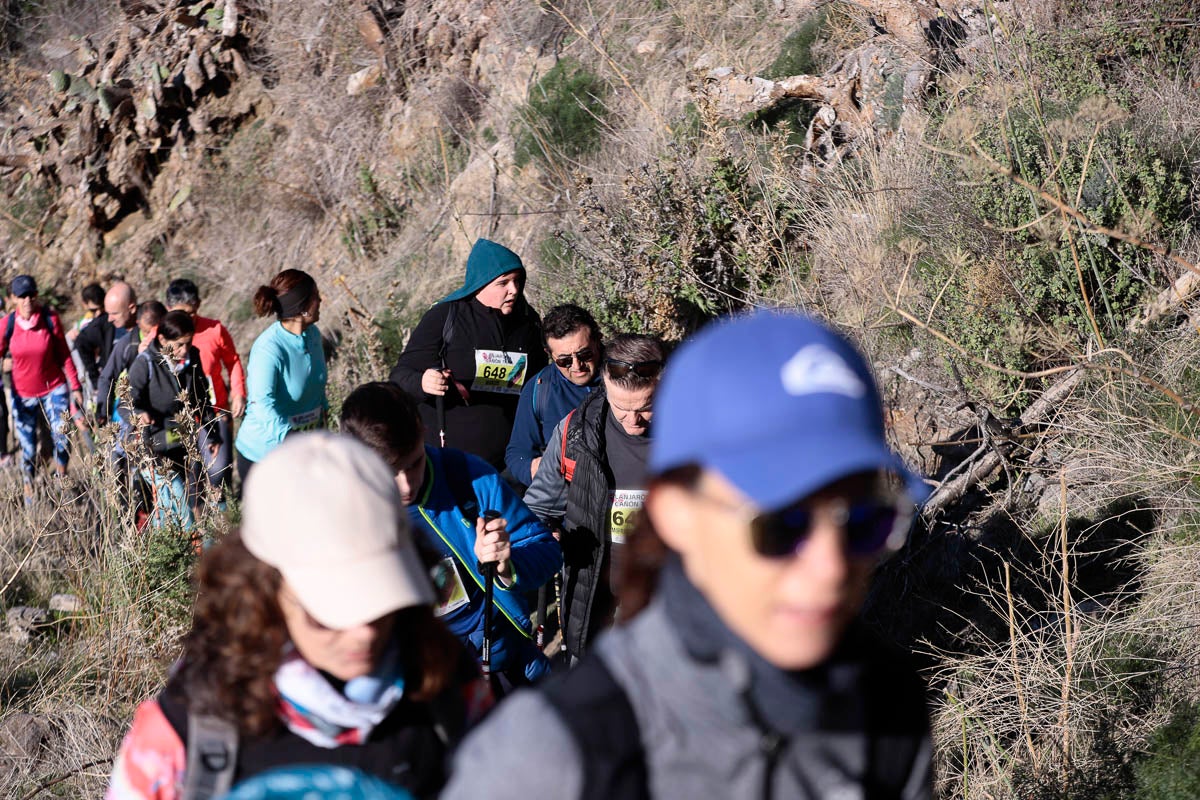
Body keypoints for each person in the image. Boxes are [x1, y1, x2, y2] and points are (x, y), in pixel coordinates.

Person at [441, 310, 934, 800]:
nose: (830, 569)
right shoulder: (551, 753)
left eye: (865, 523)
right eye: (781, 526)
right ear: (675, 513)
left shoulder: (888, 705)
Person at [105, 433, 490, 800]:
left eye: (382, 598)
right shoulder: (187, 732)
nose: (364, 633)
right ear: (266, 591)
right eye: (330, 611)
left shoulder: (449, 683)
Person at [341, 381, 562, 685]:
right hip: (423, 685)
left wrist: (506, 566)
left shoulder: (467, 476)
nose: (406, 486)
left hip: (506, 664)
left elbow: (546, 551)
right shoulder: (343, 516)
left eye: (415, 463)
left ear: (422, 431)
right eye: (389, 471)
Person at [523, 333, 665, 659]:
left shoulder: (694, 434)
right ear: (604, 382)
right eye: (621, 408)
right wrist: (542, 536)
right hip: (595, 605)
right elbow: (536, 510)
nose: (633, 421)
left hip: (667, 602)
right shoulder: (577, 431)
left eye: (646, 407)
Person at [389, 239, 547, 471]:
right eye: (503, 283)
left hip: (510, 466)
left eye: (517, 280)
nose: (513, 289)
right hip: (448, 464)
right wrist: (423, 382)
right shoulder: (445, 316)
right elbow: (399, 377)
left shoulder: (528, 321)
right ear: (480, 284)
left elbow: (539, 385)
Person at [127, 310, 220, 533]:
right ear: (162, 340)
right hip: (152, 449)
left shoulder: (192, 358)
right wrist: (139, 413)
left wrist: (212, 433)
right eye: (178, 344)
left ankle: (167, 554)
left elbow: (201, 398)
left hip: (181, 447)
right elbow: (127, 400)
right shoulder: (145, 364)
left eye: (188, 343)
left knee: (171, 509)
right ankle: (187, 556)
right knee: (178, 503)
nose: (184, 350)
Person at [234, 269, 327, 486]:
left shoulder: (312, 335)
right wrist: (290, 437)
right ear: (302, 307)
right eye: (315, 297)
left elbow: (317, 388)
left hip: (305, 450)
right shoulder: (269, 349)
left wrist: (324, 420)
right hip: (265, 457)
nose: (320, 300)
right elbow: (260, 404)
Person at [0, 274, 84, 498]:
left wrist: (75, 387)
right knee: (27, 448)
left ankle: (61, 478)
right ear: (13, 299)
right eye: (21, 296)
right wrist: (3, 362)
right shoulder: (6, 325)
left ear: (36, 295)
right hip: (23, 394)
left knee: (62, 435)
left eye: (31, 295)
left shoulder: (50, 318)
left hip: (53, 388)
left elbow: (65, 355)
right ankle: (29, 485)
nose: (27, 300)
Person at [166, 278, 247, 504]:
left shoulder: (214, 329)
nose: (187, 320)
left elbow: (233, 361)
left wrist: (238, 392)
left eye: (192, 314)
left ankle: (225, 522)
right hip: (180, 420)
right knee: (191, 480)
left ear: (199, 305)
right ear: (169, 308)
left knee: (220, 472)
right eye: (181, 314)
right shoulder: (162, 335)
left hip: (215, 411)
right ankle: (198, 534)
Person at [504, 304, 603, 489]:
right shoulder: (539, 389)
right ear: (548, 354)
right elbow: (517, 451)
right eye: (564, 360)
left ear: (598, 341)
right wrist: (531, 469)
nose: (576, 365)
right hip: (565, 504)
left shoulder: (625, 375)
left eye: (585, 354)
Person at [76, 280, 138, 398]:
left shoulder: (147, 320)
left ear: (132, 308)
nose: (110, 318)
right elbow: (81, 341)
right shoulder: (104, 323)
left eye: (115, 313)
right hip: (113, 394)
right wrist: (96, 380)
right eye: (108, 313)